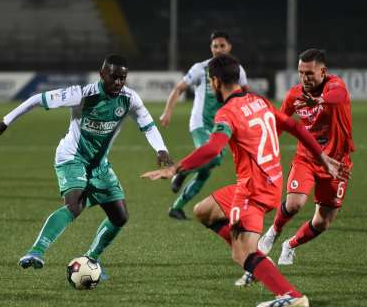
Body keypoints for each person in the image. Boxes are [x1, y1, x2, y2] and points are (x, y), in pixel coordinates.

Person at [141, 54, 349, 307]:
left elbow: (213, 149)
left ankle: (291, 297)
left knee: (241, 253)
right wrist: (323, 158)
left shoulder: (227, 113)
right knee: (203, 211)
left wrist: (175, 169)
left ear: (216, 82)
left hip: (253, 190)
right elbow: (295, 127)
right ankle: (259, 259)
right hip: (270, 182)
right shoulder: (259, 101)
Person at [0, 54, 172, 274]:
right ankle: (36, 251)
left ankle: (91, 260)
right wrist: (5, 121)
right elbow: (37, 99)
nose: (118, 83)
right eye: (114, 77)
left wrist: (161, 149)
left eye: (123, 78)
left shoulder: (130, 99)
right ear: (102, 75)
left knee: (120, 217)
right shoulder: (81, 94)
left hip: (99, 164)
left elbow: (147, 125)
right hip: (72, 157)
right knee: (75, 204)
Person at [255, 49, 355, 265]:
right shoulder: (295, 94)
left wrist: (319, 100)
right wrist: (265, 149)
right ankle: (273, 231)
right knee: (295, 203)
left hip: (337, 163)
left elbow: (336, 97)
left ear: (323, 71)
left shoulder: (335, 85)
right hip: (307, 158)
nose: (305, 78)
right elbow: (280, 122)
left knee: (323, 221)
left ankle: (290, 245)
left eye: (309, 73)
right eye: (301, 73)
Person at [159, 31, 249, 220]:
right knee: (214, 157)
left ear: (229, 47)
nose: (218, 49)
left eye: (222, 46)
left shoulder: (237, 70)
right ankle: (181, 171)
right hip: (200, 122)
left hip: (222, 124)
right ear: (211, 48)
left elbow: (244, 95)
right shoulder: (200, 68)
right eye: (215, 46)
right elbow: (179, 88)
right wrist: (168, 111)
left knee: (206, 169)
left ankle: (177, 207)